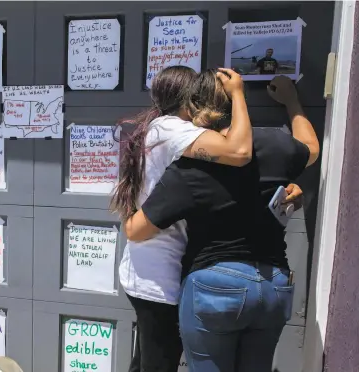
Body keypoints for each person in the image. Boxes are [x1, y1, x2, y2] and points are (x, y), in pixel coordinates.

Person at [124, 73, 320, 372]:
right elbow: (311, 148)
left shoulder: (190, 167)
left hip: (215, 285)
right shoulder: (277, 144)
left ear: (196, 110)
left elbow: (137, 230)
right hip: (273, 285)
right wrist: (292, 101)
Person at [111, 66, 253, 372]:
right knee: (158, 364)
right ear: (190, 100)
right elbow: (240, 151)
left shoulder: (160, 128)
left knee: (147, 362)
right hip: (158, 276)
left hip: (149, 268)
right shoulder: (171, 129)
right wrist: (238, 95)